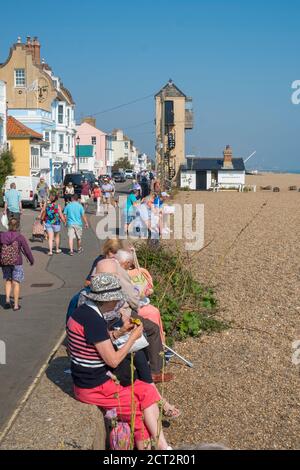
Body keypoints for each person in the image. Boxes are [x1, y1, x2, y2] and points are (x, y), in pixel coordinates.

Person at [67, 273, 172, 450]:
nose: (117, 304)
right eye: (116, 300)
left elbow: (97, 341)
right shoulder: (95, 321)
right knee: (137, 412)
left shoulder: (84, 312)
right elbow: (113, 360)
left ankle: (164, 447)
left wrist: (121, 331)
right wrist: (133, 338)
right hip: (94, 387)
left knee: (146, 389)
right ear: (107, 300)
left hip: (90, 381)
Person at [95, 241, 172, 383]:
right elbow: (131, 297)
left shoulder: (100, 265)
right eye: (129, 265)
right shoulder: (118, 269)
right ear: (125, 262)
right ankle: (155, 371)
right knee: (152, 328)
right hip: (117, 314)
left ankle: (149, 365)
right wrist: (137, 304)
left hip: (103, 314)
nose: (130, 267)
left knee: (143, 325)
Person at [0, 218, 34, 310]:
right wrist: (31, 260)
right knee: (16, 282)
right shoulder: (20, 237)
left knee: (8, 280)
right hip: (17, 262)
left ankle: (7, 300)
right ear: (18, 226)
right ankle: (15, 305)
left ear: (8, 225)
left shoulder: (2, 236)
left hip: (5, 262)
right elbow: (27, 250)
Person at [41, 192, 66, 256]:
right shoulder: (58, 206)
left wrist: (41, 220)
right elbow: (61, 215)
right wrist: (64, 222)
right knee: (57, 236)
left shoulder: (46, 205)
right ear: (56, 199)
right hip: (56, 223)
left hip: (48, 222)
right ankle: (57, 249)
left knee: (50, 237)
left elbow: (43, 212)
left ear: (49, 198)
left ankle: (50, 251)